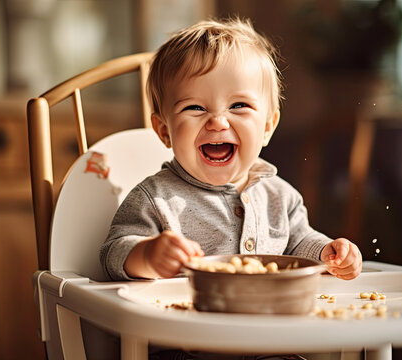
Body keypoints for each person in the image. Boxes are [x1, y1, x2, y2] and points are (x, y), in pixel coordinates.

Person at [100, 18, 362, 283]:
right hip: (187, 320)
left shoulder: (280, 197)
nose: (218, 122)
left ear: (268, 127)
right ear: (165, 131)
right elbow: (113, 252)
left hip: (270, 318)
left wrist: (328, 253)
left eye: (238, 105)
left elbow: (299, 241)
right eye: (195, 108)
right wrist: (146, 256)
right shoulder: (156, 199)